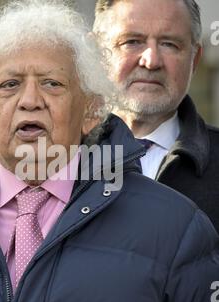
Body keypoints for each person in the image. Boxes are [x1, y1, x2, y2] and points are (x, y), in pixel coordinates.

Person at [0, 0, 219, 302]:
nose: (30, 100)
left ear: (91, 112)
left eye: (52, 83)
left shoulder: (175, 226)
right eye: (10, 84)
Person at [93, 0, 219, 234]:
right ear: (98, 52)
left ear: (195, 59)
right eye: (132, 41)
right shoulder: (59, 158)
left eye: (169, 44)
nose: (151, 61)